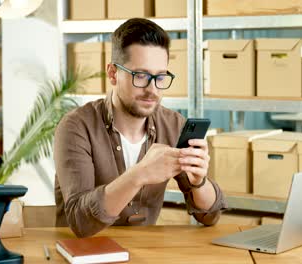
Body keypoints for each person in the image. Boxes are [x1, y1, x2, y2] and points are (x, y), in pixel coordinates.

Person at [54, 18, 227, 238]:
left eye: (160, 77)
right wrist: (139, 175)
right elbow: (80, 221)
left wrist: (198, 181)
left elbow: (210, 216)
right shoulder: (76, 127)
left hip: (144, 253)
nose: (152, 90)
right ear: (113, 73)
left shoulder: (173, 125)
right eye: (141, 76)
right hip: (81, 253)